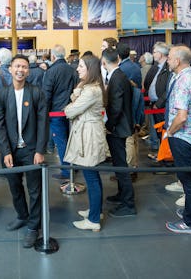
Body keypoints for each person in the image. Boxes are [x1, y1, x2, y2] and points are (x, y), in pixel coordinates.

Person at [0, 54, 48, 246]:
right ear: (10, 68)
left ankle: (34, 226)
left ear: (28, 70)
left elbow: (43, 124)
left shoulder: (36, 93)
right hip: (10, 151)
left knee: (34, 190)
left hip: (32, 150)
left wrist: (40, 150)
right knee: (14, 187)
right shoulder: (1, 94)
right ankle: (22, 215)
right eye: (17, 66)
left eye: (24, 67)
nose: (21, 70)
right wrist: (5, 151)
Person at [164, 45, 191, 234]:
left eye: (170, 57)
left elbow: (181, 117)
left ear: (178, 61)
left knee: (188, 181)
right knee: (190, 180)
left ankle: (190, 222)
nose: (167, 60)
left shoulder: (183, 82)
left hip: (182, 137)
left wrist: (170, 132)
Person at [64, 54, 108, 231]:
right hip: (89, 133)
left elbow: (70, 111)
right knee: (93, 177)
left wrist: (71, 104)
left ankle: (94, 220)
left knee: (91, 178)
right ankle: (95, 211)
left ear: (90, 69)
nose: (77, 69)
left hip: (89, 136)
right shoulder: (91, 87)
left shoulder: (91, 91)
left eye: (81, 66)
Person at [101, 48, 137, 218]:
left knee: (121, 166)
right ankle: (122, 195)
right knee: (118, 164)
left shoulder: (117, 77)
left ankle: (128, 203)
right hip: (121, 125)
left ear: (104, 61)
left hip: (118, 127)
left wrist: (110, 125)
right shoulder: (119, 75)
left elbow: (116, 107)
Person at [42, 44, 78, 180]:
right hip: (72, 110)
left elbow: (46, 94)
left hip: (56, 112)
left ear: (52, 56)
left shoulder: (51, 72)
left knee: (61, 141)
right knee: (70, 140)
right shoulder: (72, 70)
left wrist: (44, 113)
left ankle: (66, 171)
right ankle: (72, 167)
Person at [143, 42, 172, 159]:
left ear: (160, 54)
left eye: (154, 52)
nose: (153, 54)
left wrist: (159, 103)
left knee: (164, 131)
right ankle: (162, 153)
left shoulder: (168, 68)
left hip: (162, 106)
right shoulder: (155, 67)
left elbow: (169, 88)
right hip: (154, 104)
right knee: (159, 131)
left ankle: (166, 157)